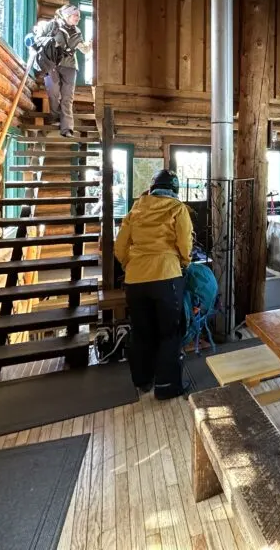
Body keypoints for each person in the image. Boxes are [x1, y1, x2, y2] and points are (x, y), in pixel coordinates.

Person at [114, 169, 194, 399]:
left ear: (152, 187)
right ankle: (166, 386)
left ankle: (143, 380)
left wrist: (132, 264)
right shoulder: (178, 208)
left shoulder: (136, 208)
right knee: (169, 332)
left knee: (141, 331)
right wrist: (184, 262)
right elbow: (185, 243)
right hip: (166, 276)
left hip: (135, 280)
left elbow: (120, 247)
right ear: (174, 190)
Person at [35, 4, 90, 137]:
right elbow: (37, 39)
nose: (78, 18)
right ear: (67, 15)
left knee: (67, 97)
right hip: (52, 63)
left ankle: (67, 129)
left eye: (79, 16)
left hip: (70, 66)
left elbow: (84, 50)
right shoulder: (52, 25)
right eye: (76, 15)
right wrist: (51, 42)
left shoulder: (77, 31)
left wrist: (90, 45)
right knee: (53, 91)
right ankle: (55, 116)